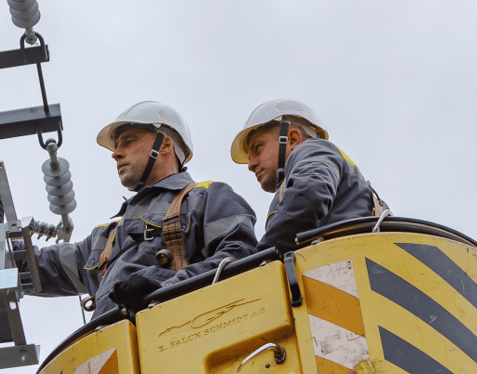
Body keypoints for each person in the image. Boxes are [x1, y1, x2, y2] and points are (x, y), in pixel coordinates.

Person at [32, 101, 257, 315]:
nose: (116, 153)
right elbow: (34, 267)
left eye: (128, 141)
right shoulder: (106, 238)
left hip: (179, 339)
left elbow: (239, 258)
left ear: (165, 145)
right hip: (111, 348)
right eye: (117, 146)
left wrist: (162, 286)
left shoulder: (206, 197)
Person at [229, 99, 385, 256]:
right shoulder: (308, 176)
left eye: (258, 148)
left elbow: (310, 195)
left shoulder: (313, 150)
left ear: (293, 139)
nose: (251, 165)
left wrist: (260, 261)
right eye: (249, 158)